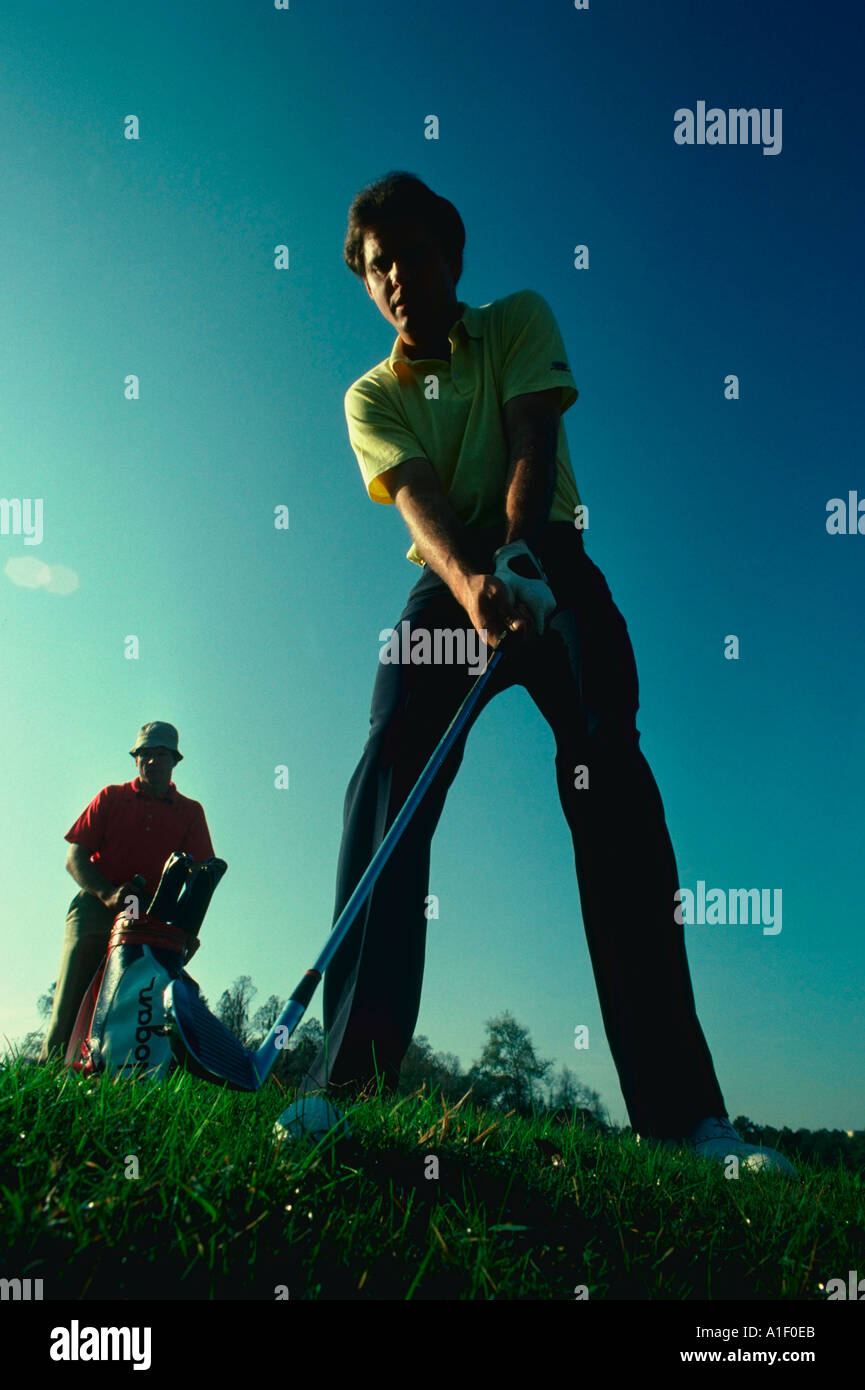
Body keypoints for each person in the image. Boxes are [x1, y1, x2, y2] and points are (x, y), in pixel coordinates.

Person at [301, 171, 793, 1175]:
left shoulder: (518, 317)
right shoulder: (370, 393)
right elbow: (421, 501)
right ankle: (341, 1084)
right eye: (375, 265)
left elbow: (534, 439)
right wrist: (477, 586)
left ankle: (687, 1118)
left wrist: (519, 562)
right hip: (451, 586)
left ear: (453, 259)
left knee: (608, 767)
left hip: (549, 559)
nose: (395, 277)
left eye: (412, 255)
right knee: (392, 760)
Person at [39, 721, 215, 1062]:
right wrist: (106, 893)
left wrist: (185, 931)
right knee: (75, 982)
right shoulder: (111, 798)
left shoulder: (190, 813)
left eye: (160, 755)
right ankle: (52, 1068)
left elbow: (200, 876)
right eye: (145, 755)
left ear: (174, 761)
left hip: (147, 913)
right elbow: (75, 855)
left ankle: (120, 1070)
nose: (152, 762)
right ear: (136, 760)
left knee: (137, 992)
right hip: (96, 898)